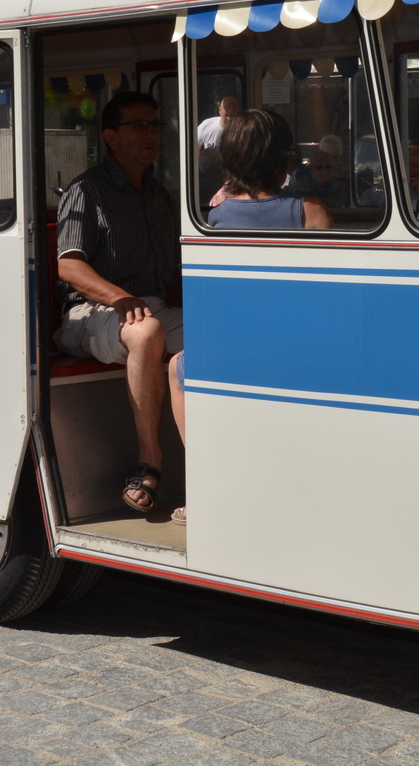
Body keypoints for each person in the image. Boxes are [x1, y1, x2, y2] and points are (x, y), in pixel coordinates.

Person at [169, 108, 327, 524]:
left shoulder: (217, 217)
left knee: (177, 367)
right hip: (298, 349)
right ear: (284, 161)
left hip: (240, 351)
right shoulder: (309, 211)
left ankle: (204, 480)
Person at [54, 91, 182, 515]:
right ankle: (149, 462)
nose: (151, 134)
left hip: (151, 307)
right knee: (146, 332)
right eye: (139, 125)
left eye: (155, 125)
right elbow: (70, 268)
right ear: (110, 136)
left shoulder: (159, 194)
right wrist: (120, 298)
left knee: (223, 333)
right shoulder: (86, 190)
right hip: (91, 312)